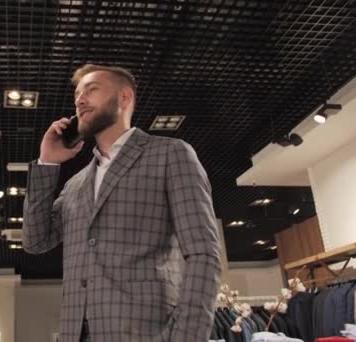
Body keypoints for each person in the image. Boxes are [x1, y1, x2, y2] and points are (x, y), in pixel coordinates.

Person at [22, 64, 222, 342]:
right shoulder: (76, 183)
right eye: (77, 94)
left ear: (124, 97)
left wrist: (186, 336)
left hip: (147, 332)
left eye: (91, 90)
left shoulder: (170, 154)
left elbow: (204, 254)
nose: (80, 100)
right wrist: (47, 163)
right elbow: (35, 241)